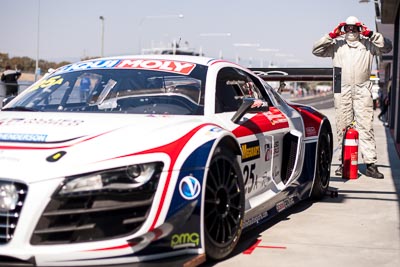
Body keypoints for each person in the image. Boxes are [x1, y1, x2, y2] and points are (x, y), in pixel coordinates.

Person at [312, 16, 392, 179]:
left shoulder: (368, 43)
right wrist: (331, 35)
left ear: (359, 28)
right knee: (343, 126)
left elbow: (387, 47)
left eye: (353, 27)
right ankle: (344, 163)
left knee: (365, 127)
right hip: (342, 88)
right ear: (343, 28)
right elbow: (316, 50)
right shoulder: (337, 45)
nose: (350, 30)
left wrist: (371, 34)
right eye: (346, 27)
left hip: (363, 88)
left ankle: (370, 164)